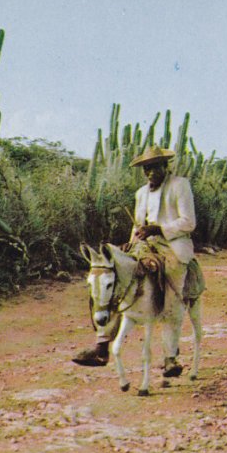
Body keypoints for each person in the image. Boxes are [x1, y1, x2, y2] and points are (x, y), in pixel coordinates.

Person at [72, 145, 196, 378]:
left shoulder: (180, 185)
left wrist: (159, 228)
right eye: (146, 169)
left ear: (165, 166)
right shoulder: (141, 193)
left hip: (172, 247)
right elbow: (137, 225)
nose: (150, 173)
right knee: (112, 280)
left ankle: (170, 358)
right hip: (143, 246)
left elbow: (188, 222)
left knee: (171, 295)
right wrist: (131, 241)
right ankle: (101, 345)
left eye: (155, 167)